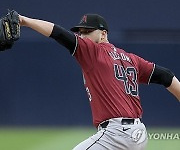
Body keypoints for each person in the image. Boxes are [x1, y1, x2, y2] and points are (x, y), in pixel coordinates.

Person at [18, 13, 180, 150]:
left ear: (103, 34)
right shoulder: (131, 59)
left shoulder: (93, 52)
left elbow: (59, 33)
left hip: (116, 134)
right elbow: (166, 76)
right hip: (137, 134)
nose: (82, 36)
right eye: (80, 32)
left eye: (87, 31)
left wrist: (25, 21)